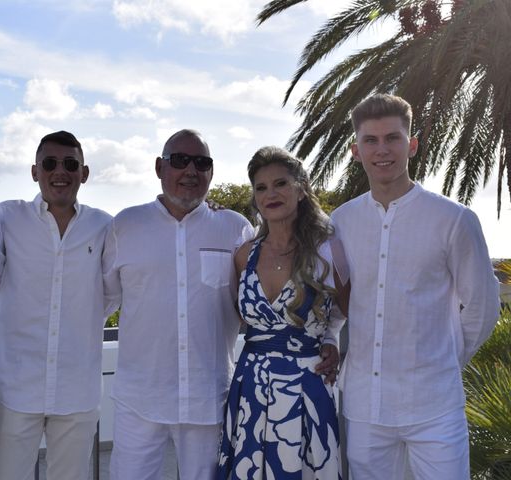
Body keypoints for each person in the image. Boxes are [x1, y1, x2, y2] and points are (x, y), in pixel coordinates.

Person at [331, 94, 500, 479]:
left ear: (412, 144)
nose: (382, 149)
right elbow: (336, 302)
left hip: (434, 407)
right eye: (370, 141)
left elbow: (482, 307)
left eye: (392, 138)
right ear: (356, 150)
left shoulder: (454, 219)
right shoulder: (340, 222)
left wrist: (443, 363)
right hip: (364, 407)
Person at [102, 129, 254, 480]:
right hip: (139, 400)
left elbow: (255, 302)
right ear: (159, 167)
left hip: (209, 397)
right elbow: (103, 299)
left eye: (202, 163)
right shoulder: (125, 225)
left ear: (212, 172)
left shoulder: (234, 228)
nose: (191, 170)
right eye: (180, 160)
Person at [0, 131, 112, 480]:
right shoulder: (5, 218)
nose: (61, 171)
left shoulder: (103, 226)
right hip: (15, 385)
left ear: (84, 173)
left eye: (71, 164)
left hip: (77, 386)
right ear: (34, 171)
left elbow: (112, 291)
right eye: (50, 163)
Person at [217, 146, 348, 479]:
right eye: (261, 187)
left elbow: (350, 310)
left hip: (308, 385)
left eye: (280, 184)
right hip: (250, 385)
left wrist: (331, 338)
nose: (270, 194)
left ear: (301, 188)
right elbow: (236, 312)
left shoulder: (327, 249)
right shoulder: (244, 255)